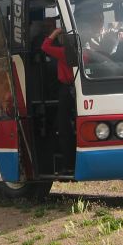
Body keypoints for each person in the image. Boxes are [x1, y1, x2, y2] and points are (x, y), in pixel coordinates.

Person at [41, 27, 76, 172]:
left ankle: (67, 165)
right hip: (78, 90)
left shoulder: (63, 52)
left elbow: (45, 46)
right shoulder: (82, 52)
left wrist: (55, 31)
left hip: (66, 91)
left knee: (63, 127)